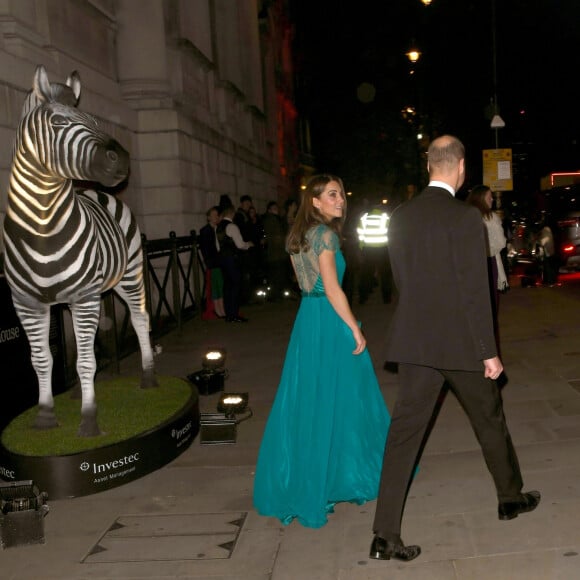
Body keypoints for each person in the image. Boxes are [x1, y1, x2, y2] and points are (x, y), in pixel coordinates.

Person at [370, 135, 540, 562]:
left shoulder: (400, 217)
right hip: (461, 346)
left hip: (415, 343)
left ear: (429, 165)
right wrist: (488, 351)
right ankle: (509, 497)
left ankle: (383, 534)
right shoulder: (466, 218)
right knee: (488, 418)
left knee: (402, 436)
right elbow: (474, 293)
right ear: (461, 167)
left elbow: (401, 281)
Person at [253, 174, 391, 528]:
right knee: (343, 397)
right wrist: (353, 327)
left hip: (307, 321)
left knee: (310, 399)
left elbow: (309, 285)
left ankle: (314, 476)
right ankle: (334, 476)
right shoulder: (326, 236)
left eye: (341, 194)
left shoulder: (300, 236)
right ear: (314, 202)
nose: (340, 200)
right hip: (328, 321)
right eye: (332, 195)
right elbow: (332, 289)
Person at [466, 184, 508, 353]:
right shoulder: (490, 217)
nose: (492, 199)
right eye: (489, 196)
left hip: (469, 267)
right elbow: (500, 243)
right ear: (481, 198)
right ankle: (490, 352)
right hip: (488, 265)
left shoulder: (465, 215)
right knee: (490, 311)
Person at [216, 203, 254, 322]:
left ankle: (229, 314)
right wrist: (249, 244)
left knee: (227, 286)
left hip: (223, 259)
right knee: (235, 286)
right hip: (233, 259)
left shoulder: (218, 227)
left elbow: (217, 246)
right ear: (232, 213)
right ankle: (234, 314)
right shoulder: (232, 226)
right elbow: (240, 244)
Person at [199, 206, 226, 319]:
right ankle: (218, 309)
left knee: (221, 285)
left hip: (220, 261)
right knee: (216, 287)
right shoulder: (205, 231)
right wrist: (209, 262)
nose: (216, 217)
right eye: (213, 215)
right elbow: (206, 249)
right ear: (209, 217)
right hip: (213, 263)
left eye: (217, 215)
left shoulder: (219, 229)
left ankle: (222, 309)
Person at [261, 201, 289, 300]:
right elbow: (274, 236)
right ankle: (275, 295)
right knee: (276, 275)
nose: (276, 210)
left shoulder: (277, 219)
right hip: (275, 253)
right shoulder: (270, 220)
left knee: (279, 274)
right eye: (274, 208)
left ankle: (278, 294)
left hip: (279, 253)